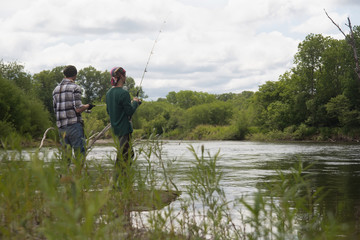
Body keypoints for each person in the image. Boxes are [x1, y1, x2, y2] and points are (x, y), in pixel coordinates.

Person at [52, 65, 94, 169]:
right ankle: (78, 181)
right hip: (74, 126)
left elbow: (55, 109)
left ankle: (64, 180)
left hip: (61, 128)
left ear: (64, 74)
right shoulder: (75, 87)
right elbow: (78, 109)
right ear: (75, 75)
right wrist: (88, 106)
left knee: (66, 158)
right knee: (79, 156)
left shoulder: (55, 90)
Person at [106, 67, 141, 186]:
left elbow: (108, 111)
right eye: (124, 75)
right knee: (123, 157)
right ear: (121, 76)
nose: (125, 77)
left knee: (129, 155)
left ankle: (124, 182)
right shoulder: (124, 93)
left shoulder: (109, 93)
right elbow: (129, 112)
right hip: (124, 129)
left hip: (116, 129)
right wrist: (136, 103)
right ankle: (114, 184)